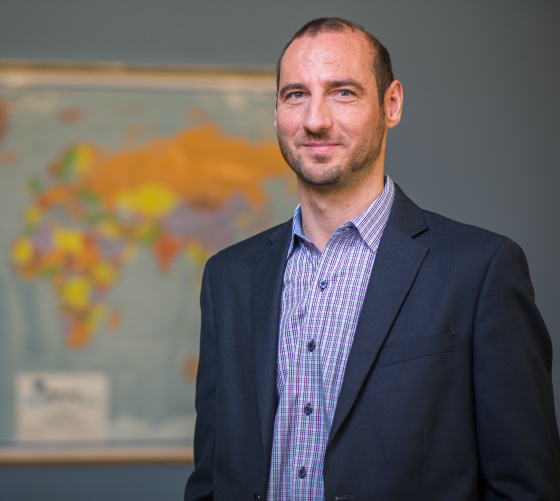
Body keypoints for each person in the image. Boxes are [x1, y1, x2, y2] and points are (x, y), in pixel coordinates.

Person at [184, 17, 560, 501]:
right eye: (296, 94)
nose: (315, 119)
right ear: (276, 112)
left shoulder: (480, 270)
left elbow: (525, 489)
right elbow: (211, 481)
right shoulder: (228, 278)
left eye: (343, 92)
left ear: (391, 104)